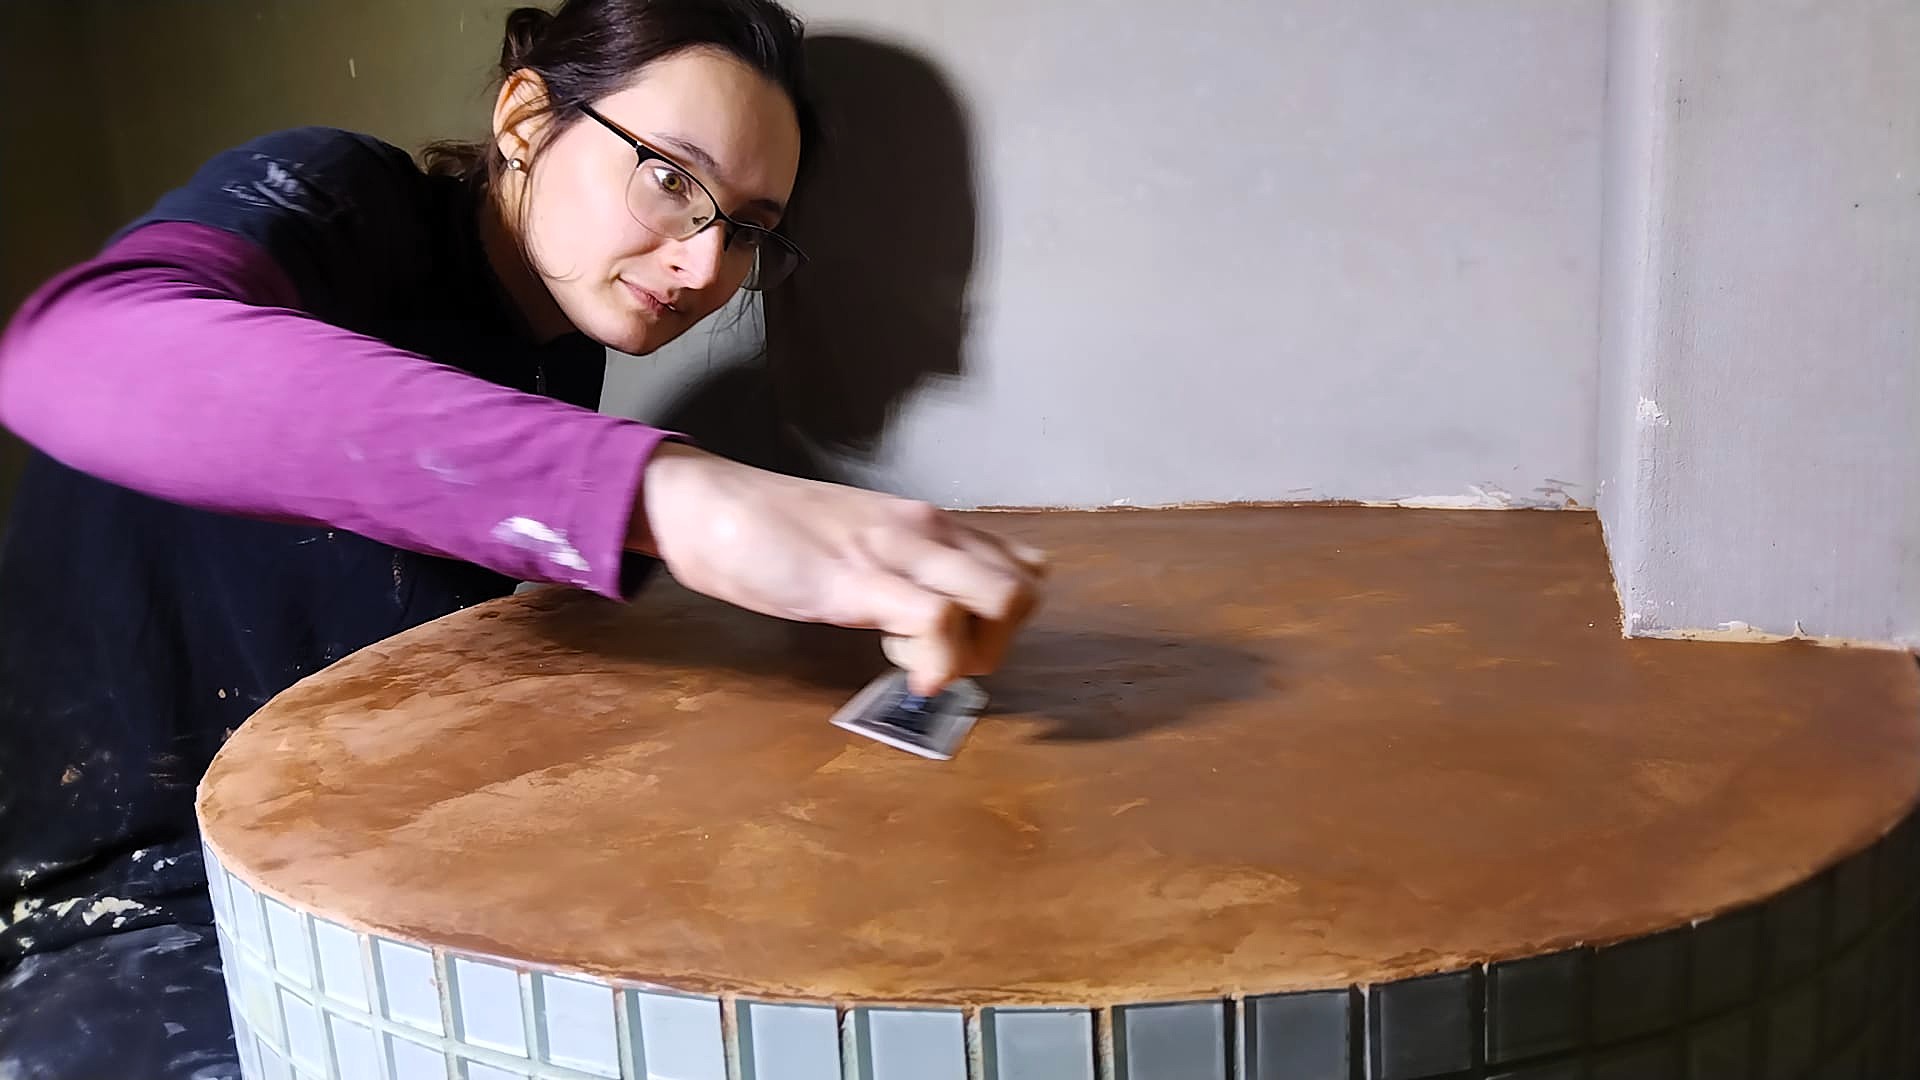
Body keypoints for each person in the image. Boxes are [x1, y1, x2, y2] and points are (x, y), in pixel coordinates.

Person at [0, 0, 1044, 1074]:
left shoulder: (559, 344)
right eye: (670, 178)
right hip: (129, 913)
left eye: (746, 229)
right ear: (526, 120)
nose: (702, 265)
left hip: (368, 865)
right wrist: (673, 495)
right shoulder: (342, 200)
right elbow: (77, 349)